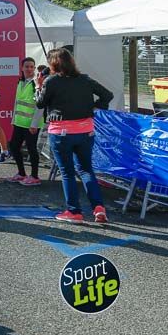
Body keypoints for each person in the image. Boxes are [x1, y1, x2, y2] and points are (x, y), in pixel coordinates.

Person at [35, 47, 113, 224]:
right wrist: (93, 107)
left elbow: (40, 103)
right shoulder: (85, 79)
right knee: (86, 170)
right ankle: (98, 208)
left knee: (68, 172)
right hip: (86, 130)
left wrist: (39, 85)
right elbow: (107, 95)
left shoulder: (51, 81)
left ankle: (74, 211)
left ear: (53, 63)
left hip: (61, 132)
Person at [9, 58, 45, 186]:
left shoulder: (36, 84)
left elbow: (40, 105)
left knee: (31, 149)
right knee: (13, 146)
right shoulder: (21, 82)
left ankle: (34, 176)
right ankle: (21, 173)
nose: (29, 69)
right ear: (22, 68)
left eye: (32, 67)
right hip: (19, 123)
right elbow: (17, 103)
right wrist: (14, 119)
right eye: (27, 66)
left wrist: (34, 124)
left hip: (31, 125)